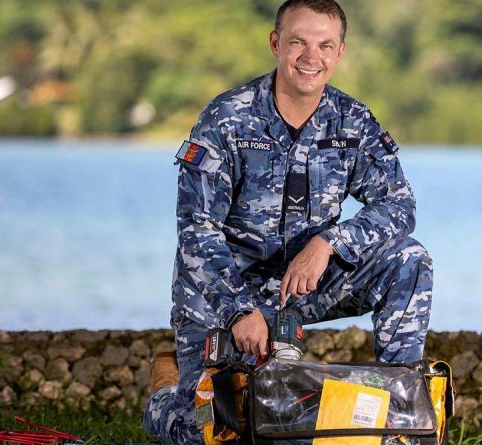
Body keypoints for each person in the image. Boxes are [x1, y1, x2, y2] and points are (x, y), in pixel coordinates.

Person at [142, 0, 433, 443]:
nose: (310, 57)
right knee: (220, 432)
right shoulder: (227, 118)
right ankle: (165, 398)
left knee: (408, 258)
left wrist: (330, 243)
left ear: (340, 53)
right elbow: (197, 231)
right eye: (298, 42)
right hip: (222, 298)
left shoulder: (353, 121)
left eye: (324, 45)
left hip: (300, 287)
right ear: (276, 44)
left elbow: (400, 205)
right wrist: (240, 311)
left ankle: (402, 411)